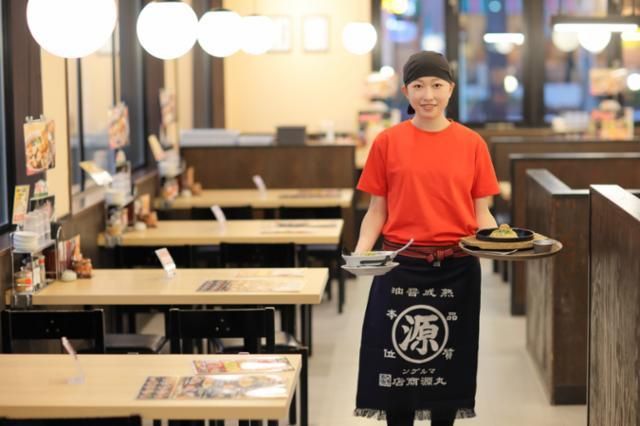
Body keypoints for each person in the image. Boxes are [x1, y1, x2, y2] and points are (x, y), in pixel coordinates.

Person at [352, 51, 500, 426]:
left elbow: (481, 212)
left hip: (458, 267)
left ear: (451, 89)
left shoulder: (472, 144)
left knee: (449, 364)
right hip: (401, 267)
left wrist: (501, 241)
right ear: (405, 91)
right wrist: (361, 253)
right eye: (418, 86)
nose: (427, 95)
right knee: (397, 363)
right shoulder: (387, 142)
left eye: (437, 85)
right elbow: (377, 211)